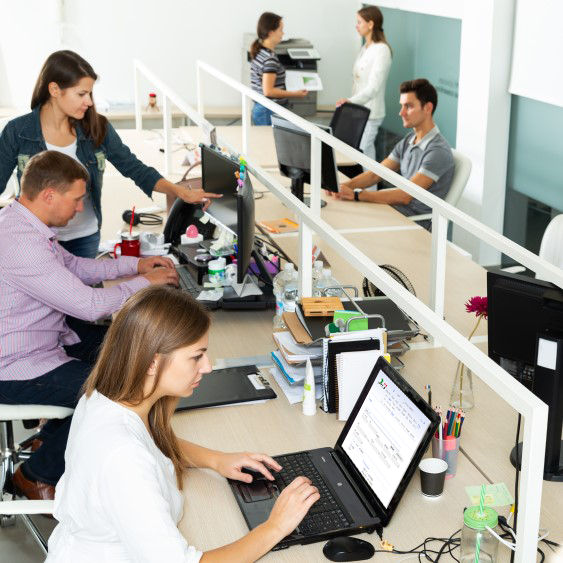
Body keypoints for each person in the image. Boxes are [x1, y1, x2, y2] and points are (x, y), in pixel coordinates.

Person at [45, 285, 320, 562]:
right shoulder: (123, 457)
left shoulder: (106, 397)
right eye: (196, 356)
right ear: (153, 362)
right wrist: (275, 527)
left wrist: (216, 460)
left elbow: (150, 444)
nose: (207, 367)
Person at [0, 151, 179, 501]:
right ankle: (35, 474)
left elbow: (75, 267)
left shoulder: (24, 223)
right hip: (15, 367)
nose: (81, 208)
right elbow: (89, 304)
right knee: (119, 390)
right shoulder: (21, 244)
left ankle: (52, 435)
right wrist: (149, 284)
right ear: (49, 195)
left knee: (126, 347)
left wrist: (136, 267)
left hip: (45, 336)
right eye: (77, 199)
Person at [0, 50, 221, 258]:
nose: (89, 101)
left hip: (83, 237)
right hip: (35, 238)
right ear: (55, 90)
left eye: (90, 93)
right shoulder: (17, 132)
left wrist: (179, 192)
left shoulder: (97, 128)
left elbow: (134, 168)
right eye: (81, 94)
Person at [329, 79, 454, 229]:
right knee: (343, 211)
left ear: (427, 108)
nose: (401, 113)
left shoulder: (438, 151)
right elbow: (376, 174)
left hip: (415, 222)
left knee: (350, 218)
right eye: (402, 106)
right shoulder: (409, 140)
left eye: (408, 106)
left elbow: (405, 196)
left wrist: (356, 194)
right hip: (396, 210)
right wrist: (340, 186)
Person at [336, 6, 392, 164]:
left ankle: (369, 188)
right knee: (363, 154)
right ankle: (364, 188)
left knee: (364, 156)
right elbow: (358, 80)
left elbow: (374, 87)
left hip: (371, 112)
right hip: (358, 110)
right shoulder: (366, 47)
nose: (356, 25)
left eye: (359, 22)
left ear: (371, 24)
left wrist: (350, 102)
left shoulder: (382, 50)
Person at [249, 12, 308, 125]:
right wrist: (296, 94)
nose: (283, 33)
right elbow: (268, 91)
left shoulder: (259, 51)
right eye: (281, 30)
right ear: (271, 33)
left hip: (262, 108)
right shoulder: (269, 59)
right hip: (268, 109)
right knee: (270, 142)